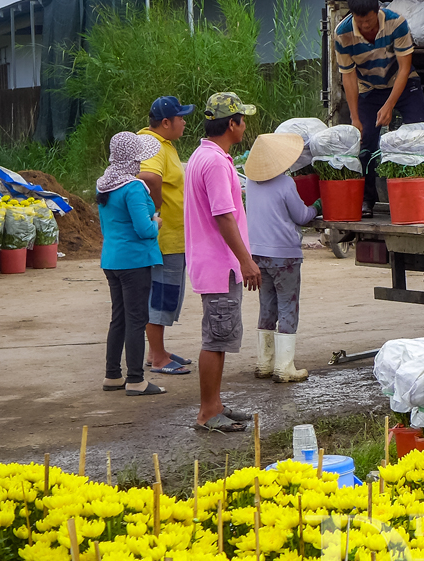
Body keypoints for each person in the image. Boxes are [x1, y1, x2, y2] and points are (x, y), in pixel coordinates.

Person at [184, 92, 261, 433]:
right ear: (232, 124)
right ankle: (207, 412)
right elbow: (223, 216)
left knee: (220, 335)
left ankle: (215, 404)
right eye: (243, 120)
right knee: (216, 339)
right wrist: (246, 261)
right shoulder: (214, 162)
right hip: (220, 264)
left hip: (213, 263)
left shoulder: (203, 155)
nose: (245, 126)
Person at [334, 0, 424, 217]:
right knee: (365, 143)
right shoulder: (342, 33)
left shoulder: (397, 23)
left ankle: (419, 196)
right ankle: (367, 199)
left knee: (418, 138)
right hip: (369, 89)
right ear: (352, 16)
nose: (366, 26)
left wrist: (389, 105)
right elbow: (348, 77)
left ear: (378, 11)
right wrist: (355, 118)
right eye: (360, 21)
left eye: (369, 20)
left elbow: (404, 68)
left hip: (403, 84)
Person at [244, 133, 321, 383]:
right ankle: (284, 367)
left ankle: (264, 363)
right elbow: (301, 216)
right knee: (288, 305)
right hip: (284, 255)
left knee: (267, 305)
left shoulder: (251, 183)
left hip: (258, 254)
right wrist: (317, 207)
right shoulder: (286, 183)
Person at [96, 131, 167, 397]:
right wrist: (156, 222)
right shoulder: (133, 187)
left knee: (119, 318)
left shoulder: (104, 184)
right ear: (132, 158)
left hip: (111, 259)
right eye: (139, 158)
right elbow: (144, 229)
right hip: (134, 261)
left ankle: (112, 374)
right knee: (137, 320)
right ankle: (136, 379)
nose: (140, 163)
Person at [137, 95, 195, 376]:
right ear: (165, 122)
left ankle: (156, 351)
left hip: (173, 235)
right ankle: (158, 357)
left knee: (168, 293)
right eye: (180, 118)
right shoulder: (151, 144)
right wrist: (157, 206)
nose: (184, 122)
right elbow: (149, 177)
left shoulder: (163, 143)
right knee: (161, 294)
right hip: (164, 236)